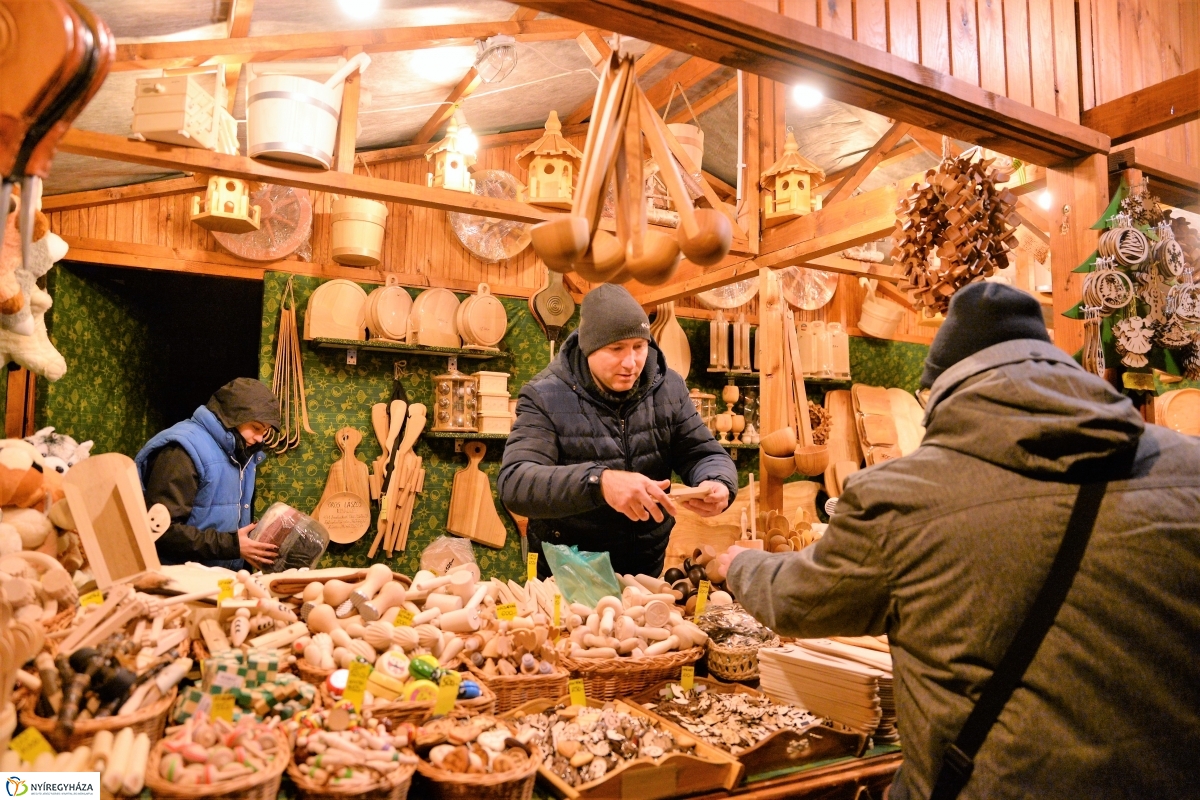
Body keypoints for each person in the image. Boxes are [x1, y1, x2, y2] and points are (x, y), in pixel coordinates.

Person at [719, 282, 1200, 799]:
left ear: (941, 390)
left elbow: (799, 600)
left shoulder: (901, 497)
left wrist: (737, 564)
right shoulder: (1189, 470)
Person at [499, 283, 738, 578]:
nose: (631, 362)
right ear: (589, 347)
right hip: (569, 568)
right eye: (616, 349)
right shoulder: (546, 395)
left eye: (639, 347)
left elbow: (702, 453)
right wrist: (600, 482)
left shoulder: (668, 387)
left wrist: (718, 481)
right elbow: (516, 482)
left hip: (645, 566)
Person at [135, 377, 281, 570]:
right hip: (177, 581)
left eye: (265, 431)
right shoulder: (182, 450)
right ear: (232, 416)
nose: (259, 438)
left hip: (217, 580)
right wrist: (232, 545)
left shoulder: (242, 453)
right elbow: (161, 531)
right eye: (256, 427)